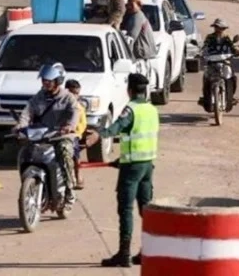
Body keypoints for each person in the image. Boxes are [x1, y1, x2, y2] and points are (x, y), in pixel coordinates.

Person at [91, 73, 159, 268]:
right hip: (147, 165)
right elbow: (142, 138)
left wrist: (98, 135)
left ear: (129, 90)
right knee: (146, 210)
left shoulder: (131, 110)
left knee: (126, 209)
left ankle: (124, 253)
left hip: (132, 168)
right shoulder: (151, 109)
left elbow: (116, 127)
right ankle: (148, 251)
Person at [13, 63, 79, 207]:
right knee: (25, 153)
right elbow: (28, 111)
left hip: (61, 135)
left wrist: (69, 126)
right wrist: (20, 126)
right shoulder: (39, 96)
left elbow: (75, 113)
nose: (45, 83)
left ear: (58, 81)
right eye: (44, 80)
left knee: (65, 151)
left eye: (49, 80)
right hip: (41, 135)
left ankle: (69, 189)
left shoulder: (68, 98)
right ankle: (30, 186)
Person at [199, 18, 239, 110]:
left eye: (221, 28)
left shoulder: (228, 38)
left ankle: (231, 97)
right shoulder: (209, 37)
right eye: (217, 27)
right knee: (206, 78)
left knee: (232, 78)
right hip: (212, 62)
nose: (218, 29)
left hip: (224, 61)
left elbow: (233, 46)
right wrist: (200, 53)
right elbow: (205, 46)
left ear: (224, 28)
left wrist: (237, 51)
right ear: (214, 27)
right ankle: (206, 98)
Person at [121, 0, 157, 70]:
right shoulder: (133, 16)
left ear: (139, 6)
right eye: (128, 5)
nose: (129, 7)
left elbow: (131, 38)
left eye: (132, 5)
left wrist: (127, 57)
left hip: (141, 55)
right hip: (143, 54)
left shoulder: (137, 17)